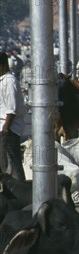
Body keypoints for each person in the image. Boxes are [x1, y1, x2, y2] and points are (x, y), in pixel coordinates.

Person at [0, 52, 26, 181]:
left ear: (3, 66)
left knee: (13, 163)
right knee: (4, 164)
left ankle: (20, 193)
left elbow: (11, 109)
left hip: (9, 129)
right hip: (5, 128)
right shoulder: (3, 80)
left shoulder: (9, 81)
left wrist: (5, 129)